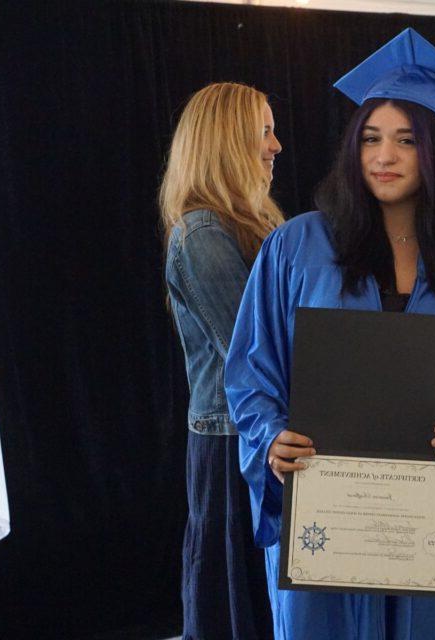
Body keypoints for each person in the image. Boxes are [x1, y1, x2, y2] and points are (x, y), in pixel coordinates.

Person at [224, 29, 435, 640]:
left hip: (432, 516)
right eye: (371, 139)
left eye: (406, 141)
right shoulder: (295, 248)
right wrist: (270, 440)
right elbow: (251, 372)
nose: (384, 156)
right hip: (325, 511)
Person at [159, 82, 283, 640]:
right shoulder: (203, 232)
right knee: (234, 606)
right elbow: (253, 351)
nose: (276, 145)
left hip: (260, 436)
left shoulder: (248, 226)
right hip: (234, 443)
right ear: (228, 140)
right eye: (263, 130)